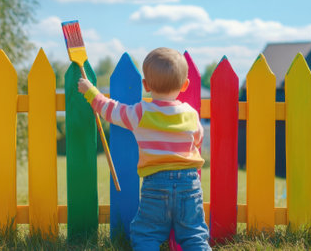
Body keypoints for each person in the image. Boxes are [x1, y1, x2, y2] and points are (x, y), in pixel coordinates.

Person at [78, 47, 211, 250]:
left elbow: (110, 110)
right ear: (185, 85)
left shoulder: (141, 112)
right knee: (194, 236)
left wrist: (91, 92)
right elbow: (198, 139)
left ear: (146, 85)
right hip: (189, 184)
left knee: (146, 235)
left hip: (156, 184)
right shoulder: (190, 114)